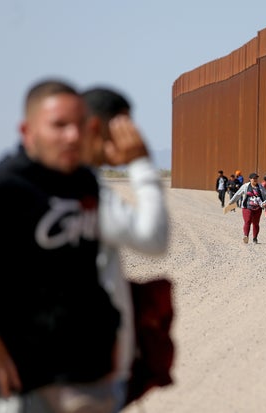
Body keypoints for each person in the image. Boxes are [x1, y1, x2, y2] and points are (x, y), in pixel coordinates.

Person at [0, 79, 121, 412]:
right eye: (59, 125)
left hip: (84, 370)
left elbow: (86, 270)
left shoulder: (85, 183)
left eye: (79, 125)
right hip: (20, 372)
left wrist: (110, 331)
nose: (73, 136)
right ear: (27, 130)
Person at [82, 86, 170, 406]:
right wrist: (141, 165)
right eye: (124, 127)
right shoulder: (80, 190)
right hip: (88, 375)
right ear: (101, 127)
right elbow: (154, 238)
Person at [227, 172, 266, 244]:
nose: (255, 180)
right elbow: (238, 194)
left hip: (258, 208)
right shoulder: (245, 186)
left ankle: (255, 238)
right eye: (253, 178)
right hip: (247, 207)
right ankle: (246, 236)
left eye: (256, 178)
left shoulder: (260, 187)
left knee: (256, 223)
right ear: (250, 179)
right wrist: (231, 202)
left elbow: (265, 195)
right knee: (247, 221)